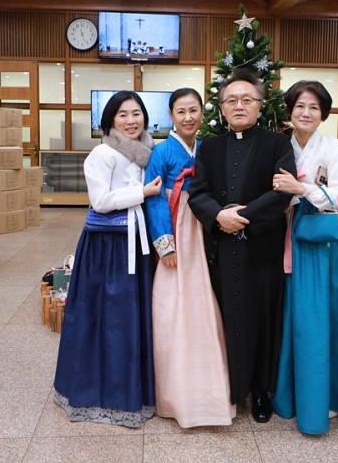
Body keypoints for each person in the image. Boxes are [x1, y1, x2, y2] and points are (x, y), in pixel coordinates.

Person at [188, 69, 296, 423]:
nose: (239, 106)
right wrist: (218, 216)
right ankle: (230, 388)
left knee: (263, 319)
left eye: (247, 99)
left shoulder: (278, 145)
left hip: (260, 249)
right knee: (225, 318)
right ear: (221, 108)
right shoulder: (209, 147)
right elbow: (197, 193)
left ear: (259, 105)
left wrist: (243, 216)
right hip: (221, 249)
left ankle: (260, 392)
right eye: (231, 100)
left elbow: (281, 191)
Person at [54, 90, 163, 427]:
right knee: (106, 318)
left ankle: (135, 389)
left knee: (133, 316)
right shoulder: (102, 153)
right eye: (123, 115)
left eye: (136, 114)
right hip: (108, 248)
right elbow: (100, 201)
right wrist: (141, 192)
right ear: (110, 120)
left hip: (137, 242)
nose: (131, 121)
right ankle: (101, 392)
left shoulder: (147, 152)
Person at [270, 81, 338, 434]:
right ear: (289, 111)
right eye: (299, 106)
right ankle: (295, 394)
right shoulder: (281, 147)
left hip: (325, 239)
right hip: (289, 234)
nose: (306, 113)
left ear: (324, 113)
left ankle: (328, 397)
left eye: (313, 107)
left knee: (327, 315)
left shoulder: (336, 148)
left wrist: (302, 189)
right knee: (295, 315)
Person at [144, 88, 234, 428]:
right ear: (171, 116)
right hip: (177, 226)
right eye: (180, 111)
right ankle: (174, 392)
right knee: (173, 301)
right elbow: (154, 199)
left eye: (193, 110)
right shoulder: (161, 151)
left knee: (204, 298)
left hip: (205, 222)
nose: (188, 117)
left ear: (202, 112)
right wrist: (165, 244)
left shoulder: (206, 147)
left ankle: (210, 386)